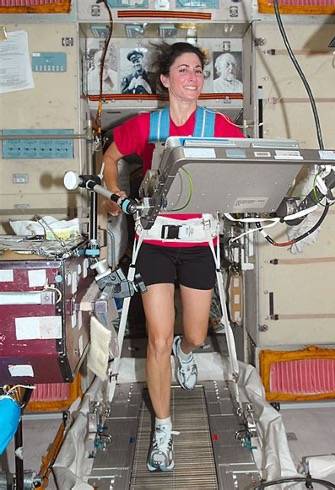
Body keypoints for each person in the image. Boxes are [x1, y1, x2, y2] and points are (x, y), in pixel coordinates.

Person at [102, 42, 243, 473]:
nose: (194, 77)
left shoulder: (218, 126)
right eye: (184, 69)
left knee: (195, 335)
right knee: (158, 339)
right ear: (165, 80)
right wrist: (115, 194)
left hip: (199, 242)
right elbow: (109, 159)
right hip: (155, 242)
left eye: (198, 70)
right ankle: (163, 430)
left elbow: (247, 164)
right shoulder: (147, 125)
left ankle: (188, 350)